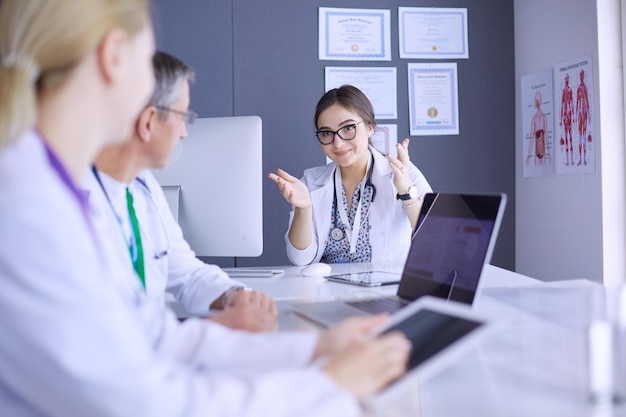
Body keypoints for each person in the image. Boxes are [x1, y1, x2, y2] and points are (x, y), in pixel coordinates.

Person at [0, 1, 411, 416]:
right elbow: (146, 403)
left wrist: (317, 348)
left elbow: (152, 334)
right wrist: (328, 384)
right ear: (113, 57)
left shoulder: (49, 187)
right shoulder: (28, 209)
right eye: (147, 60)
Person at [89, 50, 277, 332]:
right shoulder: (75, 202)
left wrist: (233, 296)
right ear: (149, 121)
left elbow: (186, 273)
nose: (184, 133)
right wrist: (214, 328)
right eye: (182, 116)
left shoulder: (143, 187)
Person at [269, 85, 432, 266]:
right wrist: (304, 209)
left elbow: (434, 240)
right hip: (328, 291)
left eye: (347, 128)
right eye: (326, 133)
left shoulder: (404, 173)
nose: (337, 143)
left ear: (370, 127)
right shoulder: (311, 181)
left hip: (384, 288)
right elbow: (300, 258)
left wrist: (405, 190)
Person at [526, 90, 549, 167]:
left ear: (538, 101)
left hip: (543, 152)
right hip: (537, 154)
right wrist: (528, 156)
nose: (534, 103)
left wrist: (549, 154)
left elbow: (547, 137)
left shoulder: (542, 118)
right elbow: (531, 138)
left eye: (535, 100)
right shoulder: (535, 119)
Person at [575, 69, 590, 166]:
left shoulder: (585, 88)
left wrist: (589, 114)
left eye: (582, 75)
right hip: (580, 114)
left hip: (584, 113)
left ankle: (584, 159)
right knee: (580, 137)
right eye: (580, 75)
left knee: (584, 137)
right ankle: (580, 159)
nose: (581, 77)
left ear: (583, 76)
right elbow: (577, 102)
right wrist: (576, 115)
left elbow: (587, 101)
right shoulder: (578, 89)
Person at [560, 73, 574, 166]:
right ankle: (567, 161)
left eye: (567, 79)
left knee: (571, 138)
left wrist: (573, 116)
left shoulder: (570, 90)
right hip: (565, 116)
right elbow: (561, 105)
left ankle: (572, 160)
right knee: (566, 138)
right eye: (565, 79)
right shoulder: (563, 91)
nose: (566, 81)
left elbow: (572, 102)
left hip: (569, 115)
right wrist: (561, 119)